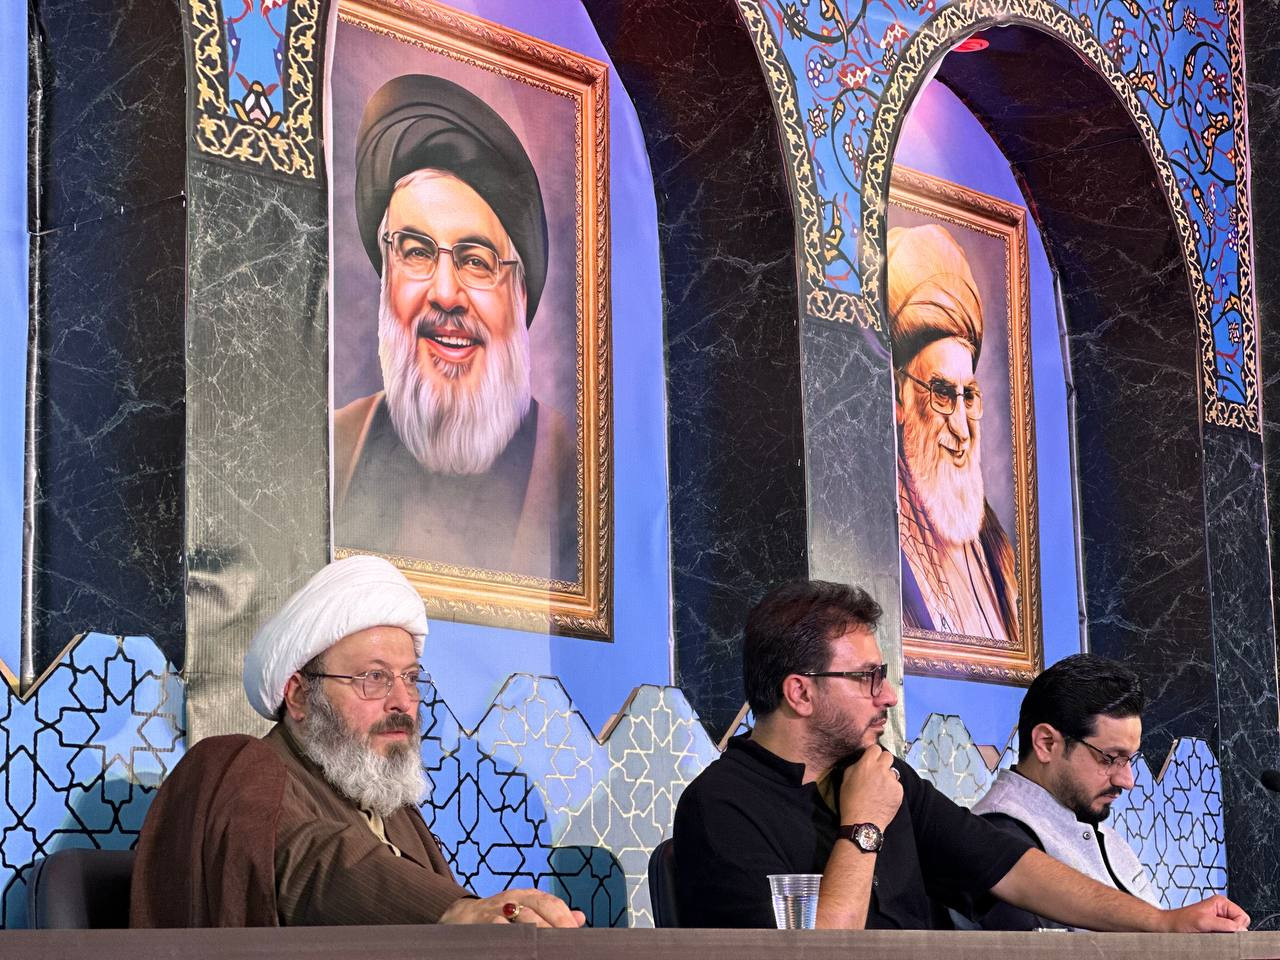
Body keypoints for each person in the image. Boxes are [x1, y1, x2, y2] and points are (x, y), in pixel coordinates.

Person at [672, 579, 1248, 931]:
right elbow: (814, 952)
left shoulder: (886, 776)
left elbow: (1013, 868)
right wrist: (864, 826)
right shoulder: (720, 807)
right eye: (868, 678)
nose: (888, 695)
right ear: (800, 693)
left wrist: (1163, 923)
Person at [130, 555, 584, 928]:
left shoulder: (397, 817)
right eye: (374, 678)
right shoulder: (234, 767)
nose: (402, 701)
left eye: (410, 678)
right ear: (299, 695)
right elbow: (313, 860)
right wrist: (453, 910)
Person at [334, 74, 576, 583]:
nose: (445, 293)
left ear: (520, 294)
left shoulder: (576, 472)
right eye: (417, 252)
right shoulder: (332, 450)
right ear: (388, 274)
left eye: (476, 260)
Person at [889, 224, 1017, 643]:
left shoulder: (996, 548)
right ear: (899, 397)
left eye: (969, 396)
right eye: (942, 393)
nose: (961, 428)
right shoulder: (881, 544)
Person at [968, 654, 1160, 929]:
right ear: (1046, 744)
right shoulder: (995, 842)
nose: (1127, 780)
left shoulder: (1100, 828)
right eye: (1109, 758)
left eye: (1129, 759)